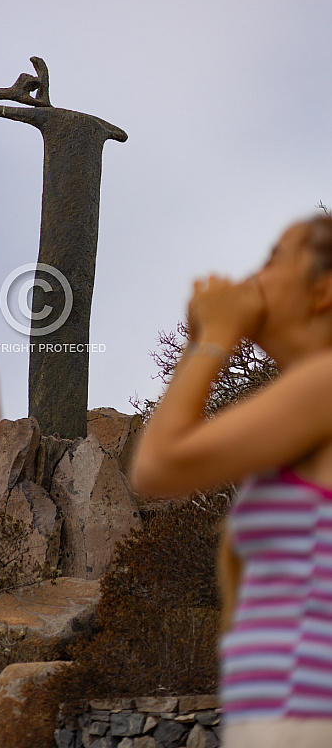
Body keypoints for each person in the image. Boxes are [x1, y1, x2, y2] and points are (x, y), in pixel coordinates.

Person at [130, 215, 332, 748]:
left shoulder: (325, 383)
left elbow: (158, 465)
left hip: (302, 712)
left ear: (323, 289)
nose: (254, 274)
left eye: (274, 257)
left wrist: (214, 338)